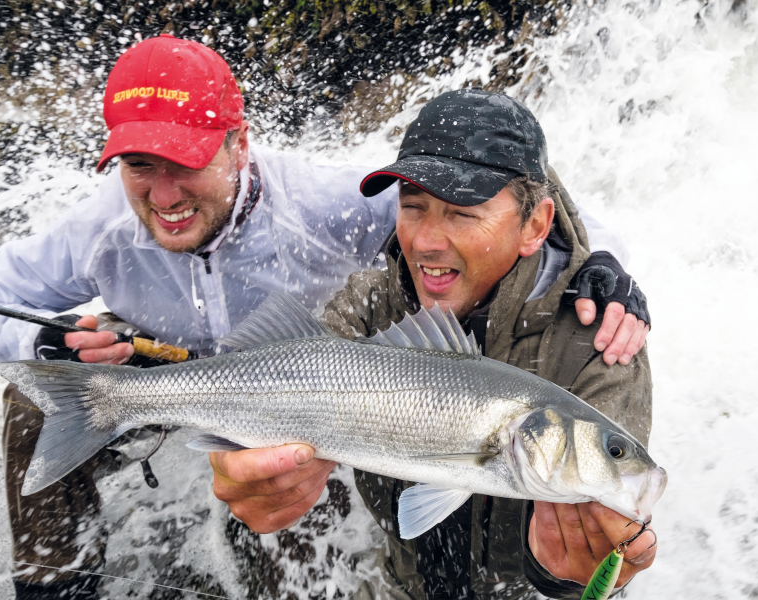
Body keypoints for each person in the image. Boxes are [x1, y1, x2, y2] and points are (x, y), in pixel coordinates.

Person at [0, 36, 646, 599]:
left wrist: (599, 267)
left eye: (187, 162)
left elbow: (495, 198)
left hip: (313, 389)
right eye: (140, 166)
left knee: (288, 520)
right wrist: (47, 337)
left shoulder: (329, 201)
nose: (164, 193)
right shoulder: (94, 229)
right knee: (31, 402)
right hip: (165, 368)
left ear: (239, 143)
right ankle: (55, 585)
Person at [211, 89, 656, 599]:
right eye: (413, 206)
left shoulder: (602, 337)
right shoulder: (371, 303)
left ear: (535, 225)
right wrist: (247, 475)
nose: (424, 241)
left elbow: (602, 559)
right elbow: (275, 385)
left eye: (463, 213)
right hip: (400, 583)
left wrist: (559, 576)